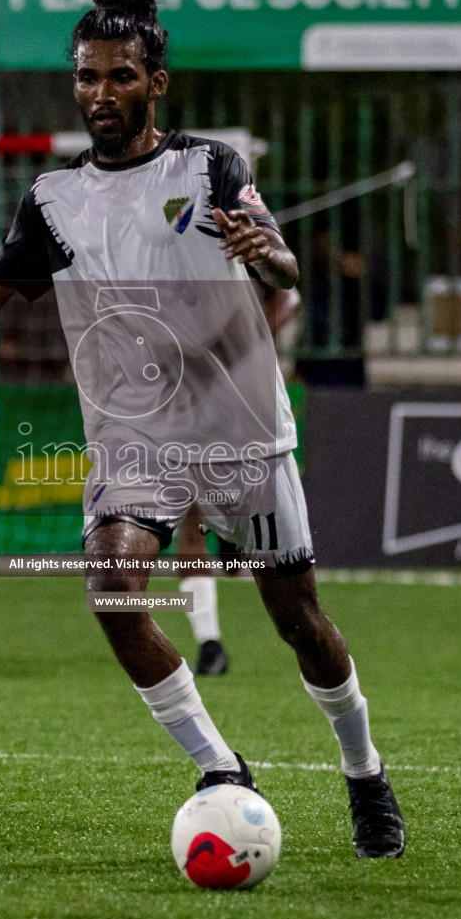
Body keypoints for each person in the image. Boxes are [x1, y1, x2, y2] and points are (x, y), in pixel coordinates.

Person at [0, 0, 405, 859]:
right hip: (135, 440)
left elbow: (282, 261)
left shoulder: (210, 167)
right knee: (112, 590)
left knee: (299, 620)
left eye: (119, 76)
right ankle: (222, 771)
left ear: (156, 82)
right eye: (86, 77)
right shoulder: (54, 202)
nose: (99, 93)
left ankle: (365, 771)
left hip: (242, 430)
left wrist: (277, 259)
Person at [174, 283, 301, 678]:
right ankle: (209, 644)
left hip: (245, 405)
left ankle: (232, 537)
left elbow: (289, 296)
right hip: (191, 401)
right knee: (190, 521)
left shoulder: (228, 237)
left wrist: (243, 349)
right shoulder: (162, 259)